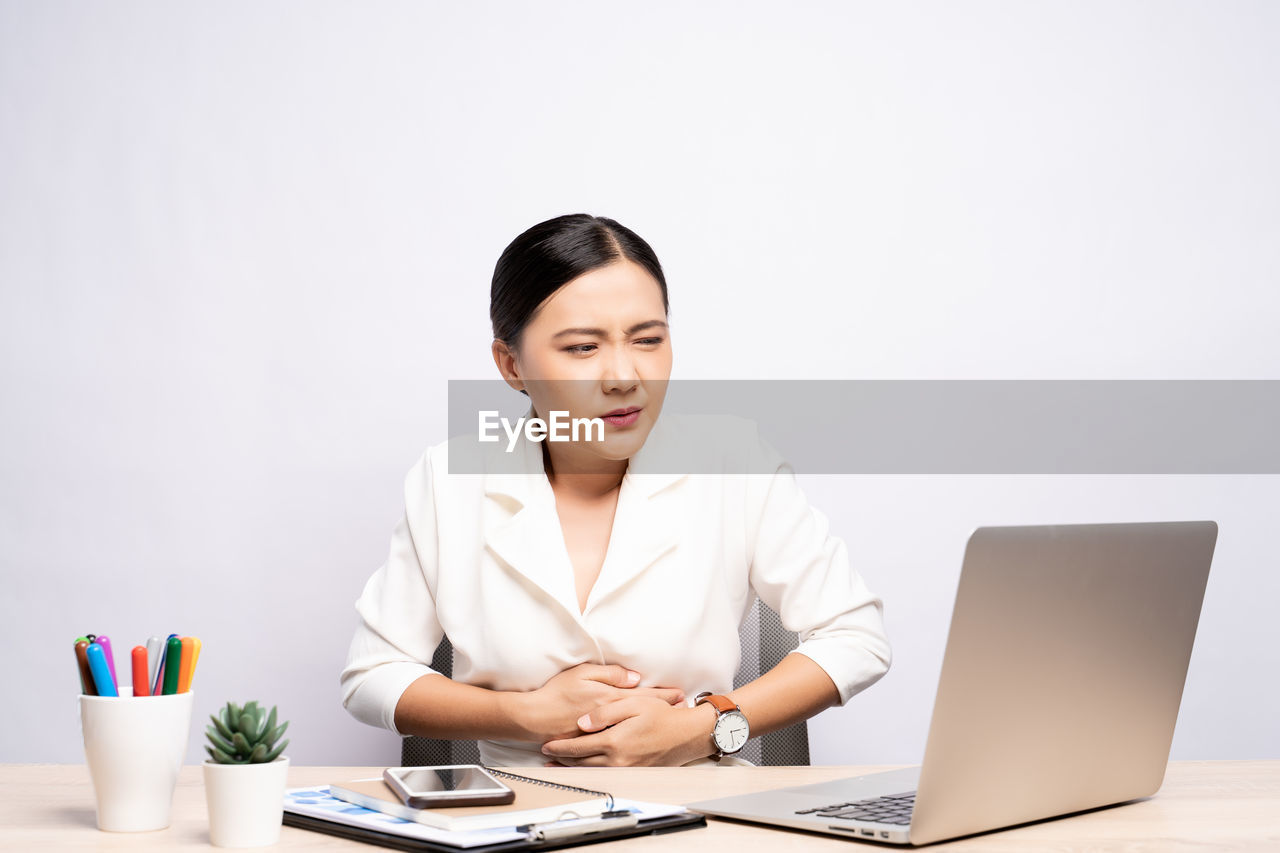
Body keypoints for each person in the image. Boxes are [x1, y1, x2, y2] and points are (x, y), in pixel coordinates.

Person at [340, 213, 891, 766]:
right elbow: (373, 675)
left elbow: (855, 636)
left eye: (648, 339)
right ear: (511, 365)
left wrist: (704, 726)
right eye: (583, 348)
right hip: (511, 814)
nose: (624, 375)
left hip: (698, 810)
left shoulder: (735, 464)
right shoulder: (450, 478)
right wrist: (526, 713)